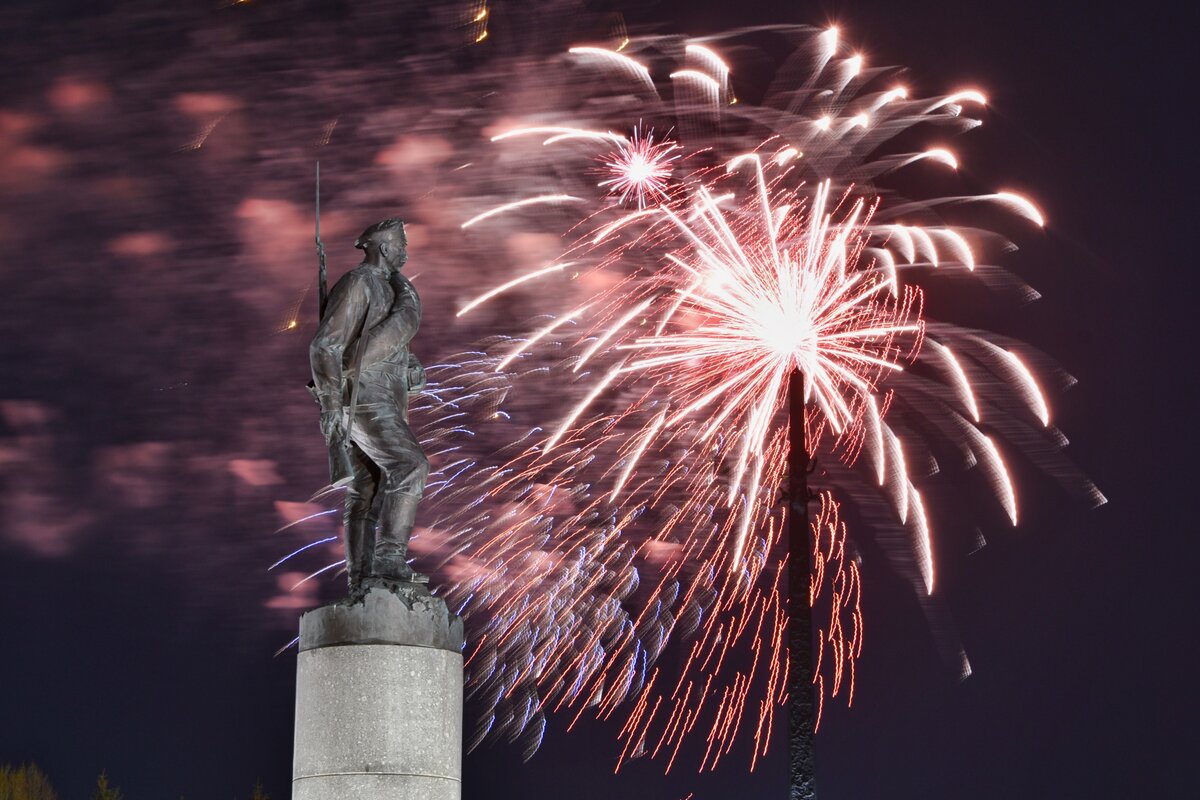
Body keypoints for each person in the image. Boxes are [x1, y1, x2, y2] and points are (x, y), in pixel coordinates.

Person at [309, 217, 429, 591]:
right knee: (410, 466)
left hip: (385, 395)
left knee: (369, 486)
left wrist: (411, 370)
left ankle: (362, 578)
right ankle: (390, 558)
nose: (406, 252)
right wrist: (330, 404)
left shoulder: (389, 289)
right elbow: (325, 345)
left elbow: (385, 347)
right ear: (383, 247)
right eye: (401, 245)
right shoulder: (359, 282)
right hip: (361, 397)